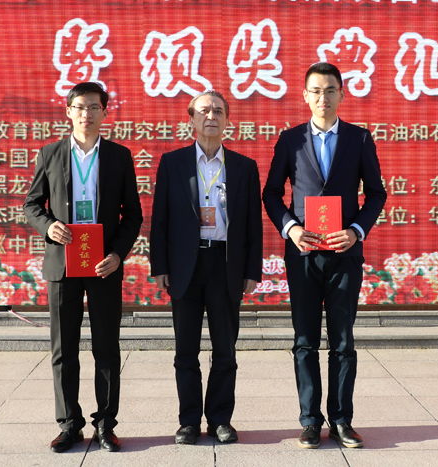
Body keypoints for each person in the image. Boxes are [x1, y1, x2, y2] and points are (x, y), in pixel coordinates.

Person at [262, 62, 387, 449]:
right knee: (304, 339)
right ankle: (310, 421)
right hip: (303, 254)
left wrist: (356, 230)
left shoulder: (359, 138)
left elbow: (376, 193)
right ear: (305, 96)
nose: (323, 97)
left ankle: (342, 420)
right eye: (315, 90)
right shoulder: (290, 140)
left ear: (341, 95)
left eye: (330, 90)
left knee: (343, 340)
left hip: (344, 254)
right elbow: (271, 194)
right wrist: (291, 228)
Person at [24, 82, 143, 453]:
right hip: (63, 263)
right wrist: (49, 226)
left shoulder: (119, 156)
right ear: (68, 112)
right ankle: (69, 425)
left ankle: (106, 425)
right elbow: (32, 205)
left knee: (107, 347)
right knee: (64, 349)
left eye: (93, 107)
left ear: (105, 112)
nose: (86, 113)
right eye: (79, 107)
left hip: (103, 264)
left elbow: (133, 215)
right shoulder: (50, 153)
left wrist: (118, 254)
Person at [150, 90, 263, 445]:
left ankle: (219, 419)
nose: (210, 116)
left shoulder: (244, 167)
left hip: (226, 264)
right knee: (186, 350)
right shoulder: (173, 163)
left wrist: (252, 270)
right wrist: (160, 265)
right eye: (203, 111)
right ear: (191, 119)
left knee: (225, 349)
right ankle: (188, 421)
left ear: (228, 120)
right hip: (186, 265)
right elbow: (160, 218)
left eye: (218, 111)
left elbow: (253, 224)